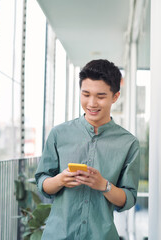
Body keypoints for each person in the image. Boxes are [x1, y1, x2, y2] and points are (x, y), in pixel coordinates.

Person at [35, 59, 140, 239]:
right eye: (85, 94)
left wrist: (104, 186)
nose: (91, 103)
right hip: (58, 235)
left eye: (100, 96)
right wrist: (60, 180)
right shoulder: (59, 134)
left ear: (115, 97)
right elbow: (42, 183)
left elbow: (128, 199)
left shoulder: (128, 143)